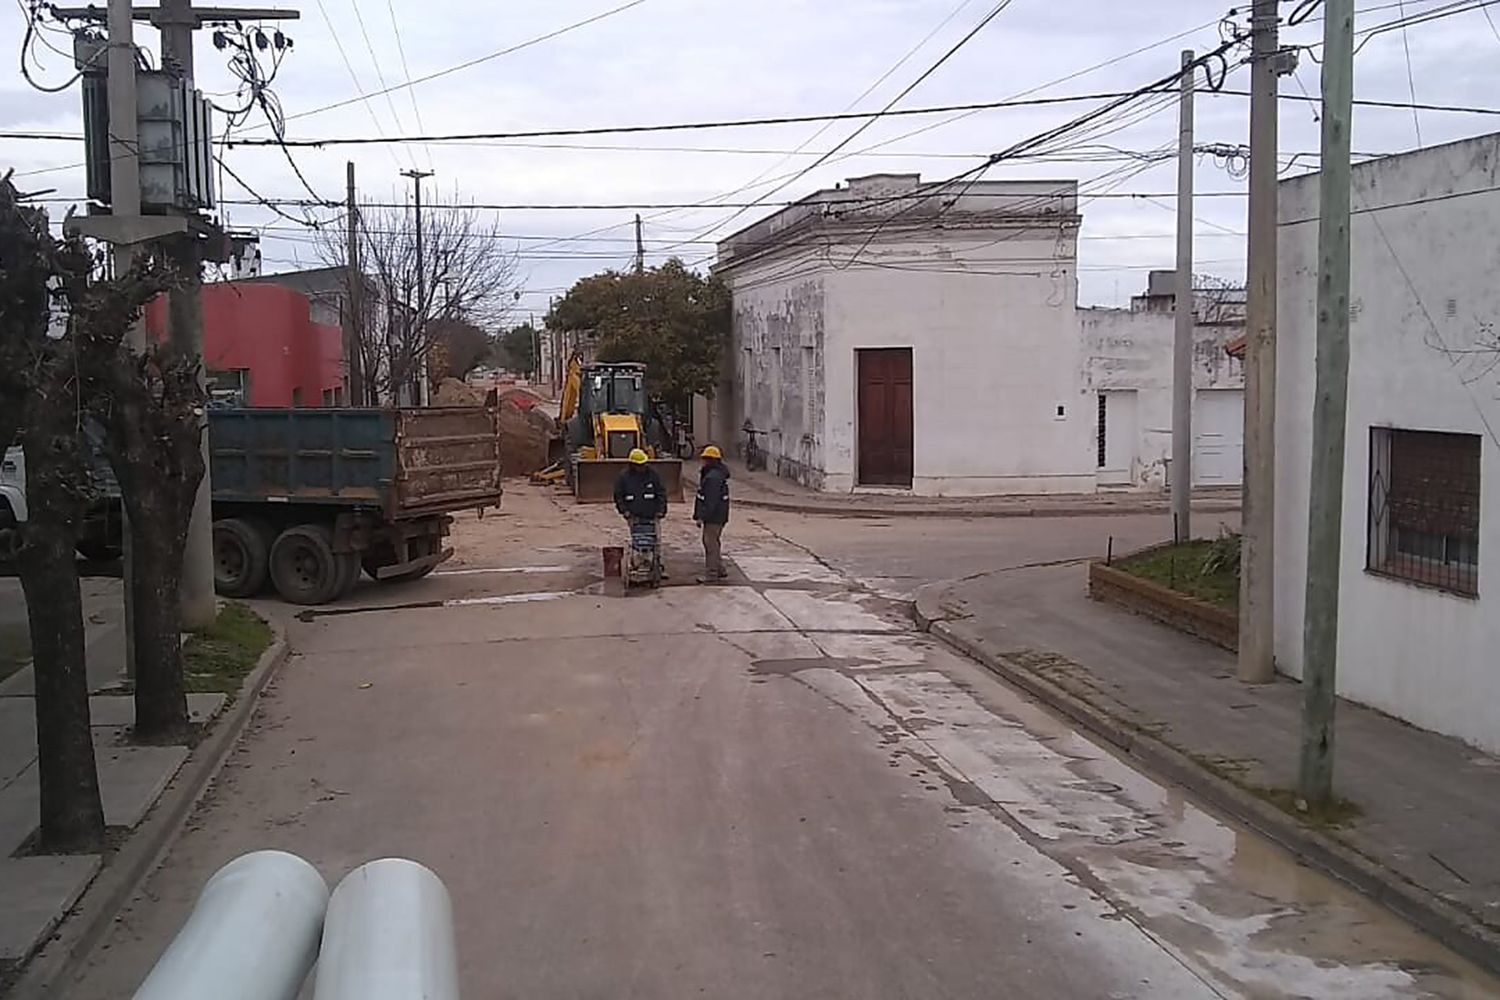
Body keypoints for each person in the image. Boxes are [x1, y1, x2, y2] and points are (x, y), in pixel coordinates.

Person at [693, 445, 731, 583]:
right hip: (719, 515)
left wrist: (702, 517)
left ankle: (711, 574)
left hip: (714, 517)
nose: (702, 461)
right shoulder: (715, 475)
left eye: (705, 459)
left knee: (710, 544)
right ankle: (719, 568)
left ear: (711, 460)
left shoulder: (712, 478)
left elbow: (710, 501)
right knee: (714, 542)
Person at [614, 448, 667, 521]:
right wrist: (624, 510)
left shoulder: (653, 475)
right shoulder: (624, 477)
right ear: (632, 465)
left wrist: (661, 510)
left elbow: (661, 492)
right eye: (640, 465)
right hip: (633, 516)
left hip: (652, 515)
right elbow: (618, 495)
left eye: (644, 464)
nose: (642, 467)